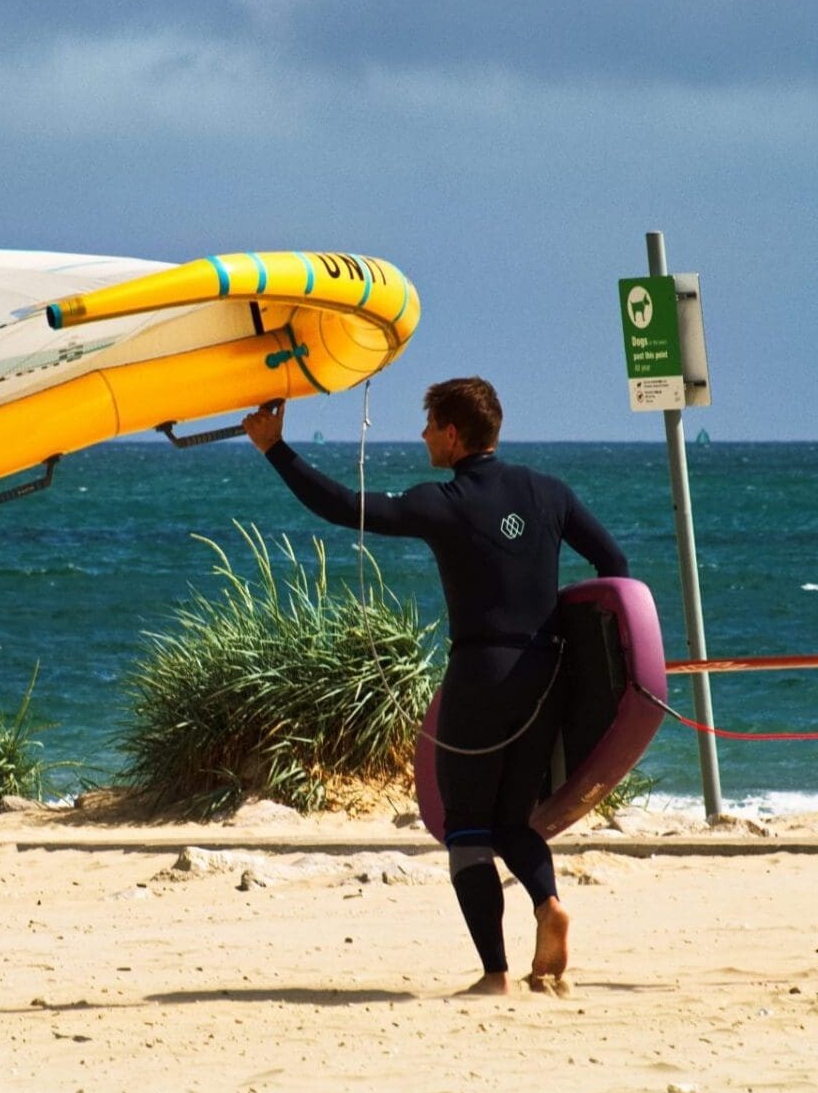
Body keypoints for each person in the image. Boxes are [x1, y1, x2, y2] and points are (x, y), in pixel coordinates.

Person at [242, 377, 629, 996]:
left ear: (452, 434)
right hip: (544, 677)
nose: (422, 436)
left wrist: (274, 448)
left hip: (480, 677)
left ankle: (495, 975)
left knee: (467, 826)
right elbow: (614, 568)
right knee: (514, 820)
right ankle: (546, 901)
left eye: (429, 426)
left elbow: (346, 507)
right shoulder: (550, 492)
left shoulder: (443, 502)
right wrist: (584, 655)